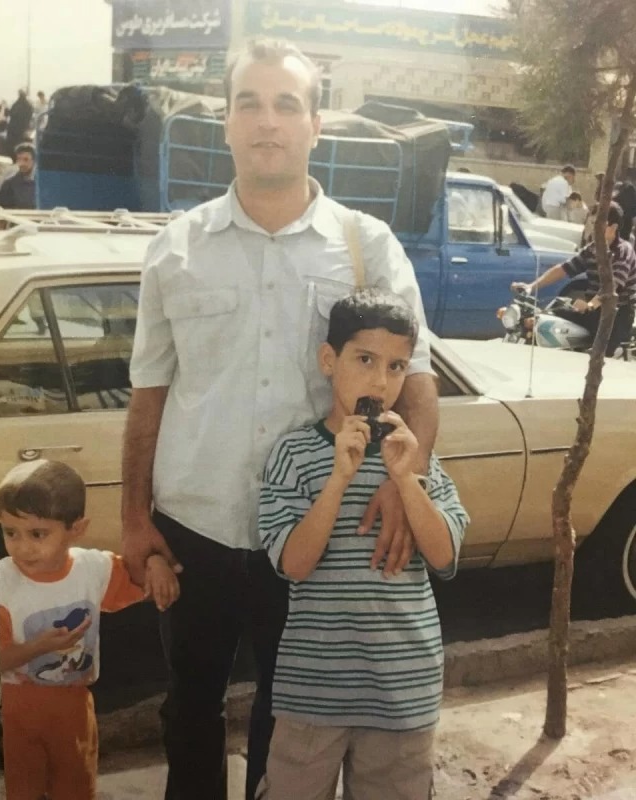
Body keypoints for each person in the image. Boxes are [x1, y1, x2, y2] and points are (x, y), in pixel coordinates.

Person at [122, 36, 439, 800]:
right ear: (227, 122)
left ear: (315, 125)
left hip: (311, 534)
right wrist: (133, 517)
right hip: (194, 528)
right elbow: (149, 395)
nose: (268, 121)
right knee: (189, 707)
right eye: (250, 103)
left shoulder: (367, 247)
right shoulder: (176, 249)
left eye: (287, 105)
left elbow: (419, 385)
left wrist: (405, 485)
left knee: (291, 717)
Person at [257, 289, 469, 800]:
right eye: (365, 360)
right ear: (329, 360)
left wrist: (406, 479)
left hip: (403, 687)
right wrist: (338, 479)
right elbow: (294, 564)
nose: (380, 381)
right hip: (314, 688)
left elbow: (444, 556)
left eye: (396, 367)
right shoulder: (294, 454)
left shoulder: (414, 457)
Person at [0, 459, 180, 800]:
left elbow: (138, 577)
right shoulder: (3, 584)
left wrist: (155, 563)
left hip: (75, 707)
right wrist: (39, 647)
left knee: (76, 787)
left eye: (37, 534)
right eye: (10, 533)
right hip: (20, 710)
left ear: (77, 529)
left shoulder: (92, 570)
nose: (22, 547)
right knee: (24, 791)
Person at [511, 202, 636, 356]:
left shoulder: (622, 251)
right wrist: (531, 286)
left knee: (598, 356)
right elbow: (564, 269)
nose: (593, 228)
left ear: (613, 227)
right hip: (594, 313)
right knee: (550, 316)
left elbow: (611, 287)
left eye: (598, 224)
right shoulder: (592, 249)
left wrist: (590, 305)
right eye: (592, 223)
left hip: (617, 315)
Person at [0, 143, 36, 208]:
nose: (22, 163)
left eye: (26, 159)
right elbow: (1, 209)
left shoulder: (42, 184)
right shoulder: (8, 184)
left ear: (34, 161)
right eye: (19, 159)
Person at [3, 89, 33, 158]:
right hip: (22, 128)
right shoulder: (28, 105)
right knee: (19, 144)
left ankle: (11, 156)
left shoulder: (17, 104)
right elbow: (29, 116)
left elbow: (11, 113)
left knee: (11, 144)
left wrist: (6, 110)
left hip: (13, 128)